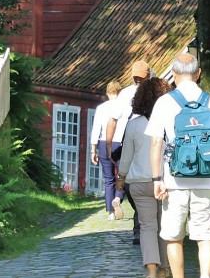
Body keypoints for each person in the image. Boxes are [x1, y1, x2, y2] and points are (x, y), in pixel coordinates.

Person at [146, 53, 210, 278]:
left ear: (173, 75)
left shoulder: (164, 102)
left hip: (174, 180)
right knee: (206, 236)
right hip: (207, 178)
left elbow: (156, 143)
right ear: (199, 73)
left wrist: (157, 179)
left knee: (174, 237)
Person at [116, 77, 172, 278]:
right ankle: (165, 268)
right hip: (165, 182)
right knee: (165, 226)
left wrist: (121, 178)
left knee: (148, 226)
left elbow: (126, 157)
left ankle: (151, 269)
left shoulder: (134, 125)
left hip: (139, 182)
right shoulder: (170, 122)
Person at [107, 60, 151, 238]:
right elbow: (113, 119)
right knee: (136, 183)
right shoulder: (129, 94)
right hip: (139, 141)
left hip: (128, 142)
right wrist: (110, 144)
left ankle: (140, 224)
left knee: (132, 183)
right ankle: (141, 221)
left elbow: (112, 120)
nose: (138, 80)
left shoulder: (126, 93)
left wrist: (109, 144)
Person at [91, 80, 125, 221]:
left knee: (108, 179)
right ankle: (118, 197)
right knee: (123, 175)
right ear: (120, 92)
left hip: (104, 142)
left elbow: (95, 130)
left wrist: (93, 150)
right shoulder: (125, 107)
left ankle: (111, 212)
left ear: (107, 93)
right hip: (120, 143)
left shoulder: (101, 108)